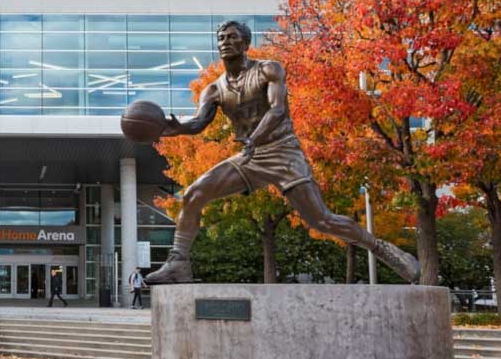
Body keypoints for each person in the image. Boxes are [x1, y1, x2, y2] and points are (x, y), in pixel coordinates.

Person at [143, 21, 420, 285]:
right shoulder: (214, 89)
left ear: (246, 43)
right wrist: (176, 129)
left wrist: (255, 138)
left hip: (282, 151)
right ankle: (179, 263)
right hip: (251, 156)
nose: (225, 42)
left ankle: (382, 248)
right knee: (194, 193)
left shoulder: (268, 70)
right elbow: (200, 123)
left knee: (321, 220)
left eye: (232, 37)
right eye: (221, 39)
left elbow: (277, 110)